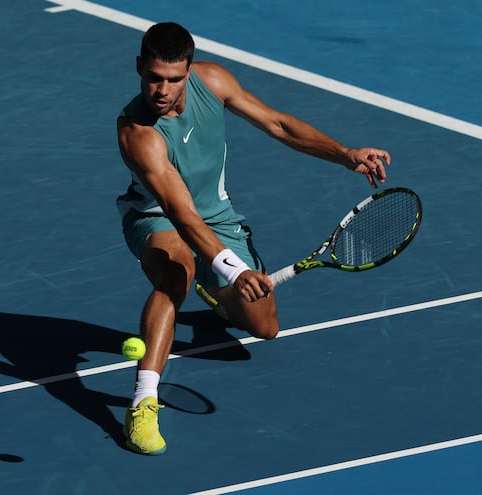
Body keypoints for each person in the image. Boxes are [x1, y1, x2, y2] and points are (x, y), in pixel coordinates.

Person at [115, 22, 390, 455]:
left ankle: (217, 292)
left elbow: (278, 124)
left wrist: (345, 154)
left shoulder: (215, 81)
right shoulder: (138, 133)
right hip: (158, 219)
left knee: (265, 328)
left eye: (173, 78)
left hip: (219, 219)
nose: (162, 89)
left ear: (189, 71)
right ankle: (142, 403)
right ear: (138, 69)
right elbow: (182, 216)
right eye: (153, 77)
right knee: (176, 273)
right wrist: (234, 267)